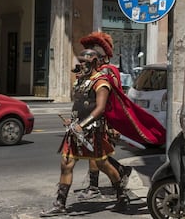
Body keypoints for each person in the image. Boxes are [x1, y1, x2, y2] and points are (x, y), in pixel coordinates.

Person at [40, 48, 128, 217]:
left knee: (103, 165)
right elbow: (80, 105)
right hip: (75, 131)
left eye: (84, 62)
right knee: (66, 164)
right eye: (80, 61)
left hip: (92, 132)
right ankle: (60, 204)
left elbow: (100, 108)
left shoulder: (101, 82)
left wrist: (83, 124)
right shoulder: (81, 80)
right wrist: (72, 121)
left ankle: (121, 196)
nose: (80, 65)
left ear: (94, 63)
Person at [76, 31, 132, 200]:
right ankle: (119, 173)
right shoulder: (99, 71)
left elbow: (111, 100)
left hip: (104, 121)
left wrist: (111, 125)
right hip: (95, 120)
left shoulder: (108, 71)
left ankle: (101, 186)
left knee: (97, 156)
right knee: (97, 155)